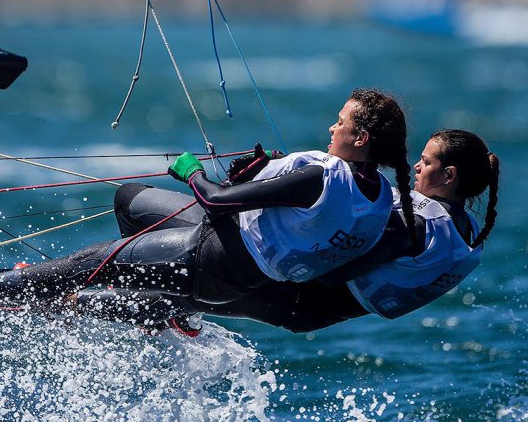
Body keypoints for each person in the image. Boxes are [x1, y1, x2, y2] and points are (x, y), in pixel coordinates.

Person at [0, 88, 414, 322]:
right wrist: (264, 179)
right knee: (130, 202)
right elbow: (314, 242)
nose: (332, 129)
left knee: (97, 260)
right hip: (244, 272)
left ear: (361, 137)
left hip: (214, 259)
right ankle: (150, 308)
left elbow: (215, 200)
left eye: (340, 123)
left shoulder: (321, 176)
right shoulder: (379, 205)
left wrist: (189, 170)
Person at [79, 129, 499, 334]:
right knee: (137, 211)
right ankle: (160, 314)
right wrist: (275, 181)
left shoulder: (414, 223)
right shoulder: (465, 234)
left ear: (449, 175)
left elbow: (336, 269)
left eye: (425, 163)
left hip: (291, 295)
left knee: (154, 287)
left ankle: (60, 299)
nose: (416, 168)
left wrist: (288, 199)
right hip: (304, 305)